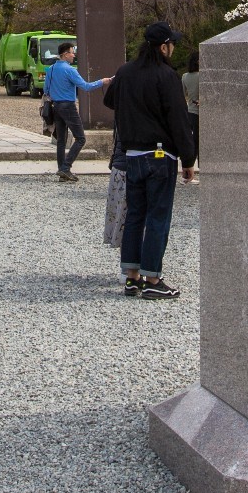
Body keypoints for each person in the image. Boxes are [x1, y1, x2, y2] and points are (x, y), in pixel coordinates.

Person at [109, 22, 195, 299]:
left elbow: (110, 99)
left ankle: (131, 278)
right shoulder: (166, 75)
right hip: (160, 156)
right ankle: (153, 280)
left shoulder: (125, 72)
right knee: (158, 217)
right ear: (163, 47)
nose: (173, 49)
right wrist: (188, 159)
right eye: (172, 45)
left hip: (132, 154)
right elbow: (178, 120)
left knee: (135, 216)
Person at [42, 41, 106, 182]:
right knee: (81, 138)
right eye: (72, 52)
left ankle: (61, 171)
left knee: (61, 140)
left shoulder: (51, 69)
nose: (74, 55)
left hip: (56, 106)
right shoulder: (70, 70)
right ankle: (66, 167)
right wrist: (103, 81)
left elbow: (46, 90)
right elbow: (86, 87)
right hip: (68, 106)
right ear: (65, 54)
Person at [181, 56, 202, 181]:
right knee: (200, 142)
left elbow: (182, 94)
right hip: (202, 112)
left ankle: (188, 167)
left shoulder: (184, 76)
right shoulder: (203, 76)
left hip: (190, 111)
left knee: (192, 140)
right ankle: (201, 170)